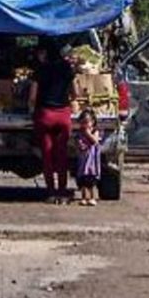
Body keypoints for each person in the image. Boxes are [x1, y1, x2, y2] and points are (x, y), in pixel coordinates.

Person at [29, 39, 77, 204]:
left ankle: (50, 192)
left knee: (47, 155)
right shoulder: (67, 68)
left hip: (45, 115)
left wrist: (31, 108)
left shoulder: (40, 69)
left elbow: (33, 96)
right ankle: (62, 192)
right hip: (63, 115)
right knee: (62, 156)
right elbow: (75, 93)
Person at [76, 108, 101, 206]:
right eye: (83, 122)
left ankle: (92, 197)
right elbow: (78, 142)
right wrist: (80, 145)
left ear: (93, 122)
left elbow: (95, 141)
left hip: (92, 162)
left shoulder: (95, 131)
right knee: (83, 181)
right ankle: (84, 197)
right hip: (83, 161)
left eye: (87, 122)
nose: (85, 124)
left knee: (91, 181)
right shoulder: (80, 133)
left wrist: (88, 133)